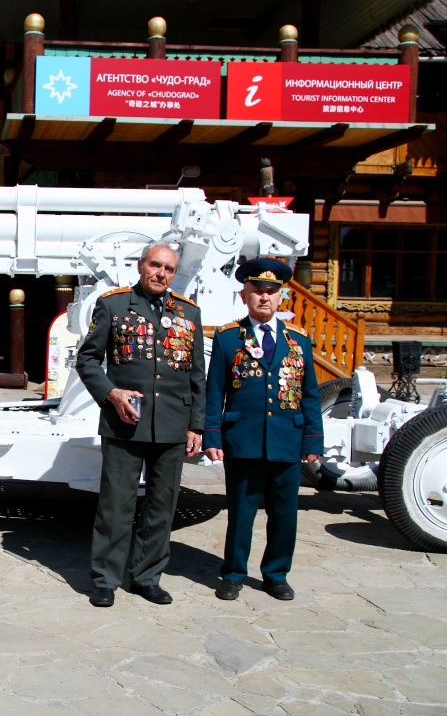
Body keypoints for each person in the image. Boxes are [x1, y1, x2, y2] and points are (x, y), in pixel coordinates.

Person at [75, 242, 205, 607]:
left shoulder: (189, 313)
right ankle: (105, 578)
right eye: (155, 265)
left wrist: (196, 426)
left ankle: (147, 576)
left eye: (168, 268)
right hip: (124, 423)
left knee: (163, 505)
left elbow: (198, 376)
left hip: (173, 425)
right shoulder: (114, 305)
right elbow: (87, 361)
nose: (161, 273)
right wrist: (111, 394)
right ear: (141, 265)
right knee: (117, 504)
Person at [202, 257, 323, 601]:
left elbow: (310, 394)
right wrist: (213, 435)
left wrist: (313, 438)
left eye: (271, 292)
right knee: (241, 513)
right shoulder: (228, 339)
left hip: (288, 439)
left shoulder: (298, 341)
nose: (264, 298)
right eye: (257, 291)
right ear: (245, 295)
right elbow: (215, 392)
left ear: (281, 297)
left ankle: (276, 573)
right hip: (244, 440)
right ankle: (234, 573)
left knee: (285, 515)